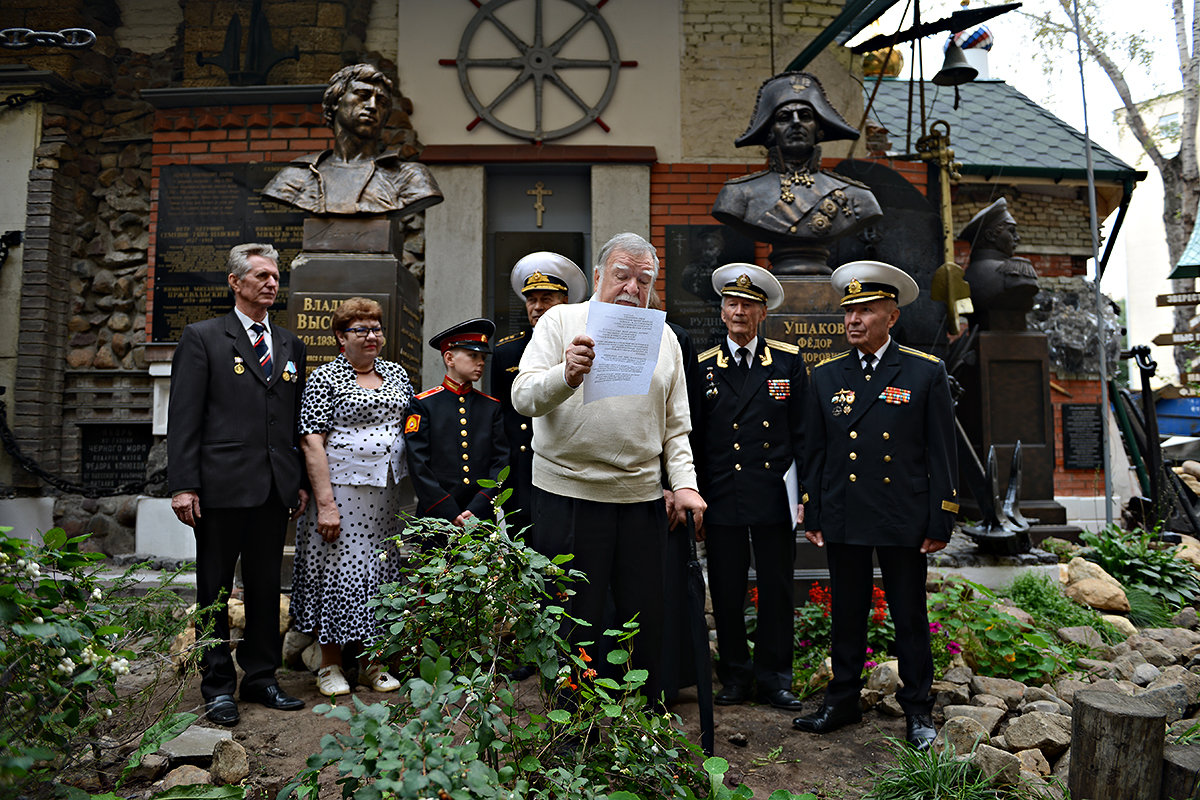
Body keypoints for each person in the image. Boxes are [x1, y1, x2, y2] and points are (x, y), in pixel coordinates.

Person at [511, 232, 707, 702]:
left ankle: (635, 733)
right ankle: (572, 736)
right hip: (568, 494)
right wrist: (567, 374)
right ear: (598, 276)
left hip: (640, 500)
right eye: (621, 276)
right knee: (573, 621)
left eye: (643, 280)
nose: (631, 288)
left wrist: (684, 484)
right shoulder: (561, 320)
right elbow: (522, 397)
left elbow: (675, 426)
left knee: (640, 620)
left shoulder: (666, 338)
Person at [792, 260, 958, 751]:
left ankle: (918, 709)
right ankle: (841, 700)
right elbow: (815, 452)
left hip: (902, 513)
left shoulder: (925, 372)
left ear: (892, 315)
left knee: (908, 614)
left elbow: (941, 453)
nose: (853, 320)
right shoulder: (825, 377)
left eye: (865, 310)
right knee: (846, 612)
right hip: (844, 511)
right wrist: (812, 509)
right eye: (849, 311)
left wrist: (941, 516)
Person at [167, 243, 308, 727]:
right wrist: (184, 485)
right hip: (219, 489)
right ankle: (216, 685)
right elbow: (184, 418)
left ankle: (262, 677)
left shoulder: (290, 345)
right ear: (235, 282)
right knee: (214, 589)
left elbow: (291, 420)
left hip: (273, 490)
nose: (272, 283)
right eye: (262, 276)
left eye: (276, 276)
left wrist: (299, 481)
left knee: (267, 587)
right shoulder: (203, 337)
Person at [695, 263, 807, 711]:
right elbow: (694, 437)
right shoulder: (703, 365)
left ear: (763, 313)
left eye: (748, 304)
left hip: (772, 493)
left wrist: (804, 497)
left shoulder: (786, 361)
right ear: (722, 311)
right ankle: (736, 677)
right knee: (725, 589)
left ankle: (776, 677)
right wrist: (695, 495)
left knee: (777, 588)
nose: (738, 311)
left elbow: (802, 434)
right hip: (721, 494)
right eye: (731, 303)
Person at [292, 298, 413, 697]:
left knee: (379, 575)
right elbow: (312, 441)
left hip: (387, 497)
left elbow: (413, 426)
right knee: (341, 574)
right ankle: (330, 666)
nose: (372, 336)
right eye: (361, 329)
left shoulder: (396, 374)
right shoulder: (326, 378)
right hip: (342, 495)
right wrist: (325, 503)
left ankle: (372, 664)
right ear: (341, 337)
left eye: (376, 328)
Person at [711, 71, 882, 275]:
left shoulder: (858, 197)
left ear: (819, 129)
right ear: (770, 131)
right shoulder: (738, 194)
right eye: (784, 117)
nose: (796, 123)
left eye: (805, 116)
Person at [262, 63, 443, 216]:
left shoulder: (410, 177)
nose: (372, 106)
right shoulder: (296, 178)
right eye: (362, 96)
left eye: (382, 102)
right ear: (336, 102)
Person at [491, 252, 588, 536]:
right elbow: (501, 416)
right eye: (532, 300)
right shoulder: (506, 352)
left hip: (570, 461)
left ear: (564, 302)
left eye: (547, 299)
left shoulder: (582, 348)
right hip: (523, 465)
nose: (537, 307)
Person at [404, 319, 509, 532]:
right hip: (436, 516)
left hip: (479, 515)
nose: (480, 362)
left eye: (482, 357)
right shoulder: (424, 404)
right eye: (473, 355)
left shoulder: (491, 407)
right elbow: (418, 464)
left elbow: (501, 462)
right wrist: (446, 509)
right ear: (449, 358)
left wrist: (480, 506)